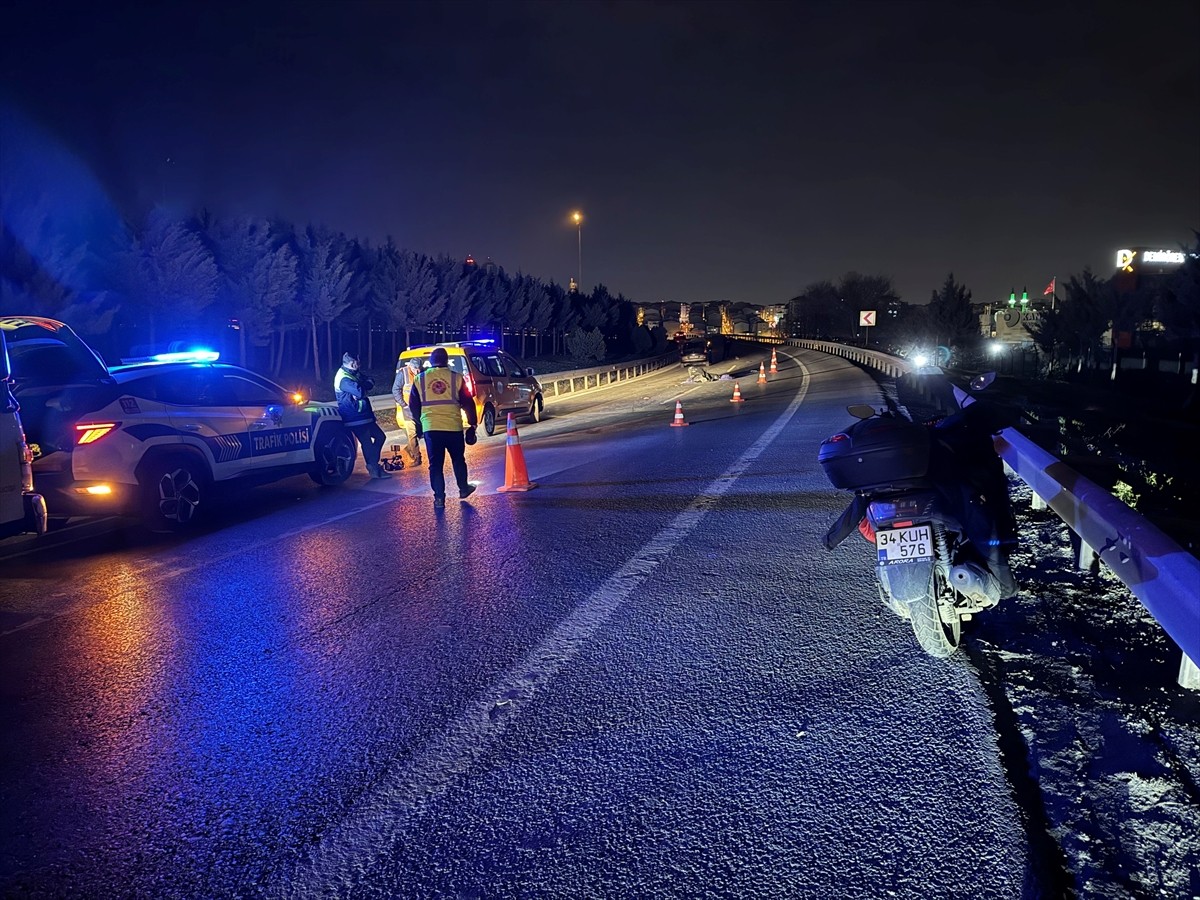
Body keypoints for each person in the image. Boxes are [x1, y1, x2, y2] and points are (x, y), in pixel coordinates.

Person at [408, 346, 477, 507]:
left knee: (435, 465)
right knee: (458, 460)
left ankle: (439, 498)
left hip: (431, 428)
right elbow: (468, 403)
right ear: (446, 361)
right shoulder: (456, 378)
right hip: (453, 427)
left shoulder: (420, 379)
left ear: (430, 362)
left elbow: (413, 405)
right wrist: (473, 424)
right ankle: (463, 489)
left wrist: (420, 424)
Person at [334, 352, 390, 479]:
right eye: (358, 362)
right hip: (354, 416)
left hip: (363, 415)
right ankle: (374, 468)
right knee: (367, 442)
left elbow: (370, 381)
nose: (359, 365)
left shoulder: (353, 373)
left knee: (380, 437)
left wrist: (364, 385)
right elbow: (360, 392)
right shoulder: (344, 378)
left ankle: (373, 465)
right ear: (352, 363)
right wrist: (364, 386)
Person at [390, 356, 424, 467]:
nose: (417, 371)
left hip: (420, 409)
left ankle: (409, 449)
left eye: (419, 369)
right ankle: (417, 457)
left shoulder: (422, 373)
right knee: (412, 434)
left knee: (420, 432)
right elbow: (395, 390)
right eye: (415, 369)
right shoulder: (403, 374)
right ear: (410, 366)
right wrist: (403, 404)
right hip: (408, 409)